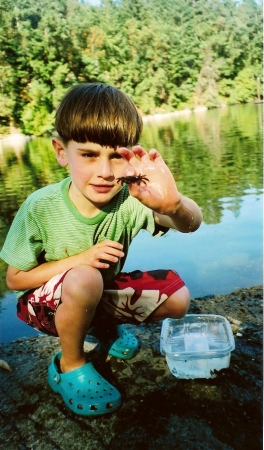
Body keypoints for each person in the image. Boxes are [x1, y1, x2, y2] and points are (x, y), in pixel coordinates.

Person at [0, 83, 202, 416]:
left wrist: (174, 204)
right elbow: (15, 279)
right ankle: (70, 364)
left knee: (178, 299)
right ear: (61, 151)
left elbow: (190, 223)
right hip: (46, 306)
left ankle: (103, 327)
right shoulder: (40, 207)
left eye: (116, 156)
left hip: (96, 292)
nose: (105, 172)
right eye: (90, 155)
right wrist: (80, 260)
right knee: (86, 278)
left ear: (131, 155)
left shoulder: (130, 198)